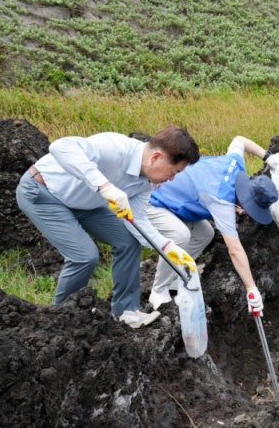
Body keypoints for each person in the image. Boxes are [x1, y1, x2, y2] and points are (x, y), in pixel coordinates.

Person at [16, 127, 201, 328]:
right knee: (85, 256)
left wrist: (167, 247)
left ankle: (125, 312)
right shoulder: (115, 148)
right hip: (43, 192)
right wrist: (104, 186)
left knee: (128, 242)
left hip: (85, 203)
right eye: (173, 172)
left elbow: (137, 221)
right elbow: (60, 147)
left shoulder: (146, 183)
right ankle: (60, 320)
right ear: (156, 157)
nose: (172, 179)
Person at [147, 136, 279, 315]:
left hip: (179, 197)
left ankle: (176, 277)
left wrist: (267, 156)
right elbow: (234, 250)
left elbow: (239, 140)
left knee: (205, 234)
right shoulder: (221, 201)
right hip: (153, 198)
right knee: (180, 235)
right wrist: (251, 288)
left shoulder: (236, 164)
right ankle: (158, 290)